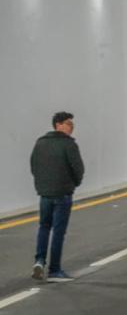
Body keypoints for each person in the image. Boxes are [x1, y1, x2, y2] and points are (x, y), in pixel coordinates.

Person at [30, 111, 85, 282]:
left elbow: (34, 166)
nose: (71, 127)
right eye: (68, 123)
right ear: (58, 125)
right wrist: (73, 184)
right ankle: (54, 270)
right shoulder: (69, 144)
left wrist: (42, 185)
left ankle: (39, 261)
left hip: (45, 194)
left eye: (72, 124)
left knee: (44, 227)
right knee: (58, 232)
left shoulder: (40, 143)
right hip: (63, 194)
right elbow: (78, 169)